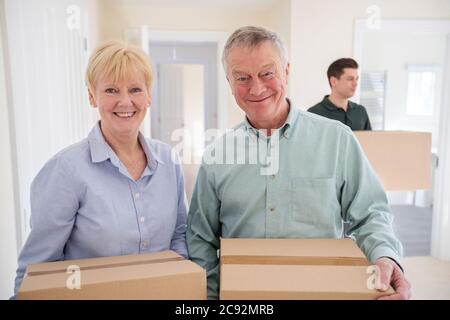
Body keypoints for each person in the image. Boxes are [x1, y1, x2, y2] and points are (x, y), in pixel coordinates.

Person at [186, 26, 411, 300]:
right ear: (229, 82)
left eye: (267, 73)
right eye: (242, 77)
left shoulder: (337, 139)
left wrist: (386, 255)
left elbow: (371, 213)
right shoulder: (216, 154)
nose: (256, 88)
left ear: (287, 72)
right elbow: (201, 239)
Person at [13, 40, 188, 295]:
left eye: (136, 89)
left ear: (149, 96)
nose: (125, 101)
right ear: (91, 96)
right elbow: (36, 272)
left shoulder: (168, 162)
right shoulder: (66, 170)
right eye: (111, 90)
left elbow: (179, 238)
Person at [308, 58, 372, 130]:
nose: (355, 83)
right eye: (350, 79)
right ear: (334, 81)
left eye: (356, 79)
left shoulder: (360, 111)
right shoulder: (314, 114)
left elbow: (370, 140)